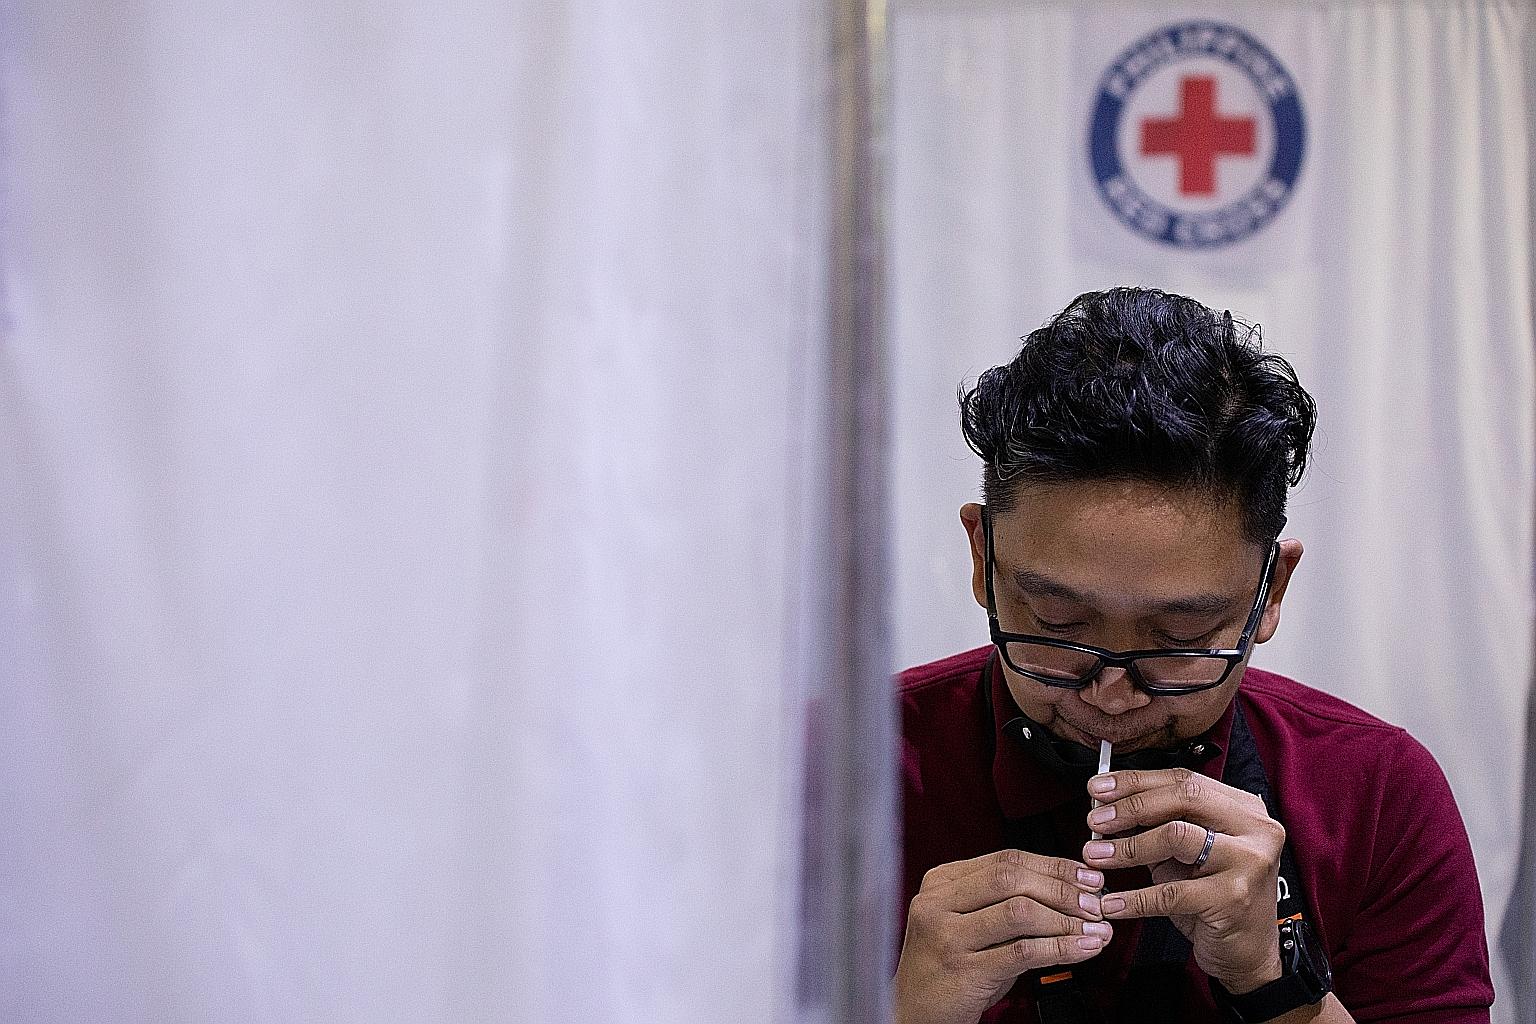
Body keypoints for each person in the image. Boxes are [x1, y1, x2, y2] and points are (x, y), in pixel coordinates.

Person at [894, 288, 1494, 1024]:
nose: (1112, 694)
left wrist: (1276, 981)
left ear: (1271, 591)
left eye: (1179, 639)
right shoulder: (849, 772)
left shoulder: (1372, 793)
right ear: (982, 558)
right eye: (1057, 621)